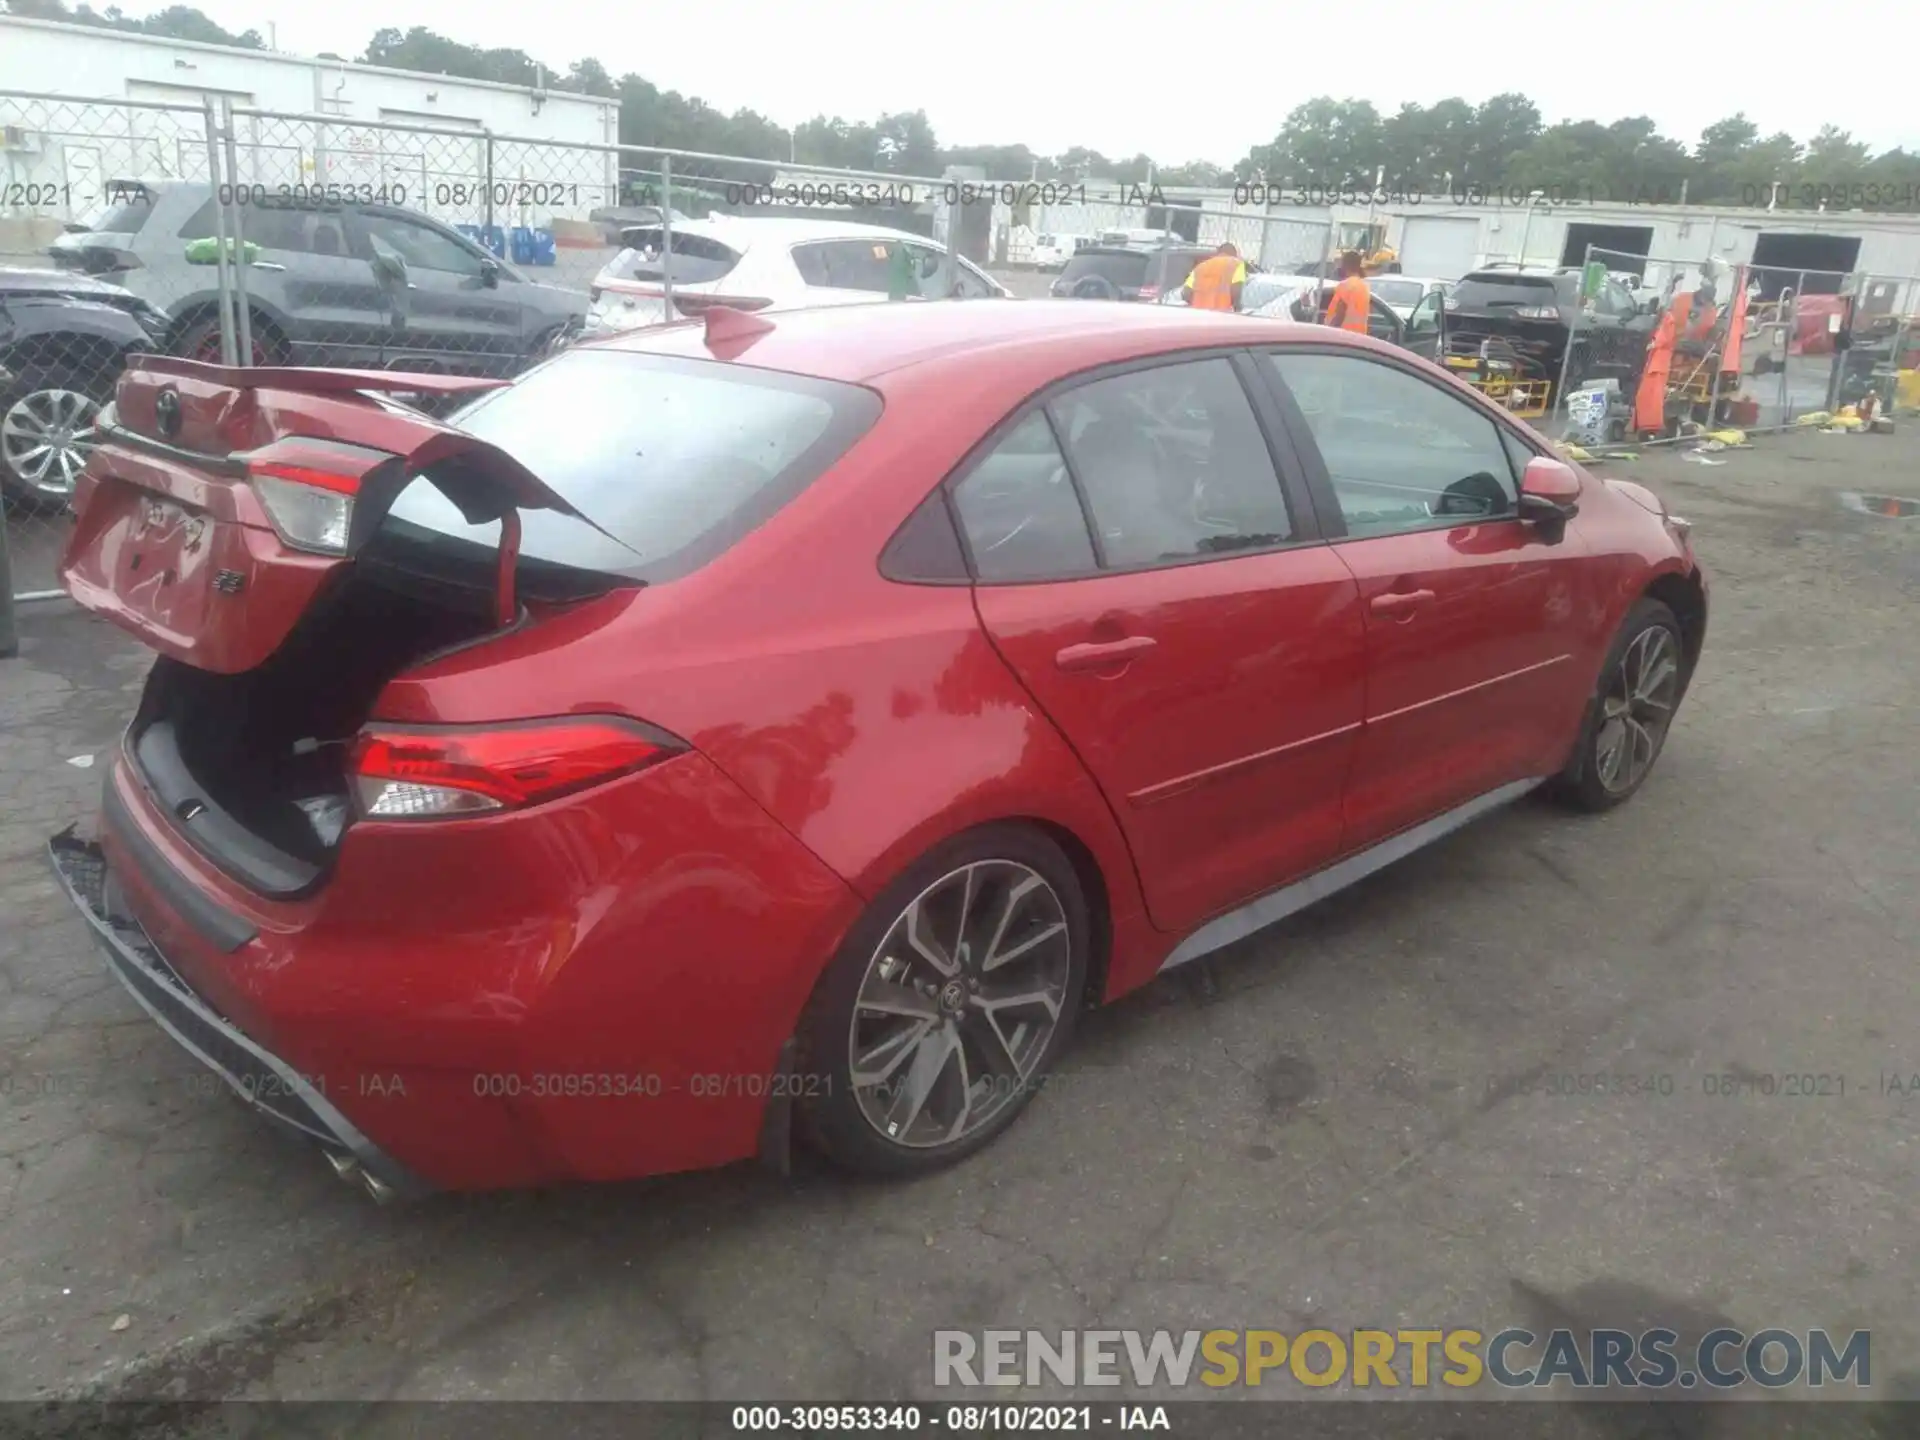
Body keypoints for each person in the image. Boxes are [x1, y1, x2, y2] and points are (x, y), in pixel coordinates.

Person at [1181, 242, 1247, 313]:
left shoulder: (1200, 267)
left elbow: (1186, 294)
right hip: (1222, 314)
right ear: (1234, 254)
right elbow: (1236, 292)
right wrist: (1238, 310)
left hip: (1198, 314)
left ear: (1218, 253)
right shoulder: (1237, 264)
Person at [1323, 249, 1370, 333]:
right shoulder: (1364, 286)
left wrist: (1327, 332)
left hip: (1343, 337)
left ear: (1346, 265)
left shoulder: (1345, 285)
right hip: (1359, 339)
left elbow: (1339, 315)